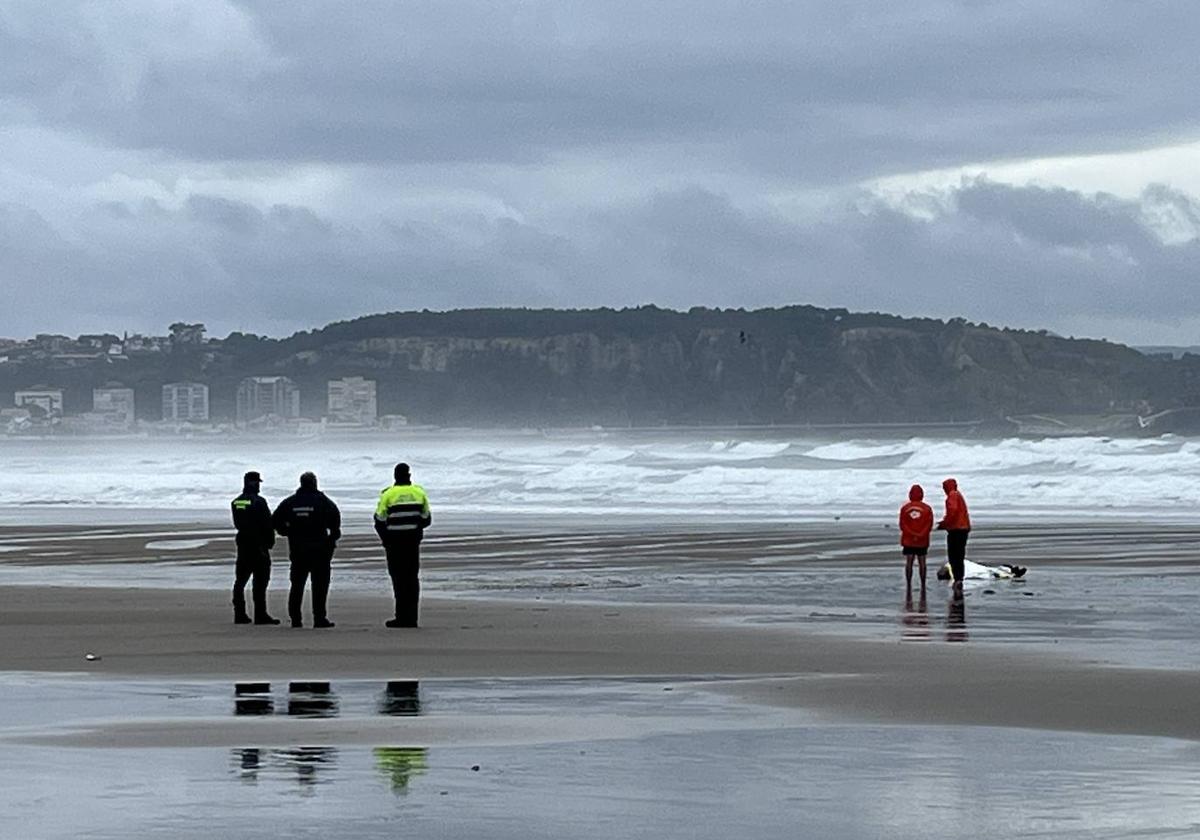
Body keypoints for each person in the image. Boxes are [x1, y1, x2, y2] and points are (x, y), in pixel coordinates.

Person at [273, 472, 341, 628]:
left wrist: (287, 531)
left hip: (298, 550)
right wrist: (331, 539)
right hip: (320, 551)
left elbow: (275, 521)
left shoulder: (290, 502)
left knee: (297, 585)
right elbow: (335, 523)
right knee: (320, 586)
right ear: (315, 483)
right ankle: (319, 619)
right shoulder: (323, 501)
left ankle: (296, 620)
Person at [374, 462, 432, 628]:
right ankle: (412, 618)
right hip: (412, 543)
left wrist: (386, 540)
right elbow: (427, 519)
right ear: (409, 475)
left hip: (394, 544)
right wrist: (415, 530)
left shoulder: (388, 495)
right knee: (412, 579)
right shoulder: (419, 493)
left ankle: (401, 617)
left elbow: (379, 520)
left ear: (395, 476)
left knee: (398, 580)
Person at [230, 470, 279, 625]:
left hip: (243, 542)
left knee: (241, 580)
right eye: (257, 482)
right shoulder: (259, 502)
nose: (258, 485)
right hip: (258, 544)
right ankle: (260, 614)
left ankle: (239, 613)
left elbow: (238, 523)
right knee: (260, 581)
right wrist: (270, 542)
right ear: (253, 483)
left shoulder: (236, 502)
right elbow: (267, 523)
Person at [936, 477, 971, 594]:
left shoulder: (952, 496)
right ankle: (959, 578)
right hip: (963, 528)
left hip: (956, 529)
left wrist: (944, 524)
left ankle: (957, 578)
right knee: (960, 555)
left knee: (954, 555)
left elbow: (952, 512)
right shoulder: (958, 495)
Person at [898, 483, 933, 592]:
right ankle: (923, 584)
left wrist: (912, 534)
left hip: (909, 540)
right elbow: (929, 524)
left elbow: (902, 525)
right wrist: (920, 534)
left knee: (909, 562)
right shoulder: (927, 509)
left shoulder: (905, 508)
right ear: (922, 495)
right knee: (922, 562)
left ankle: (908, 584)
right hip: (922, 540)